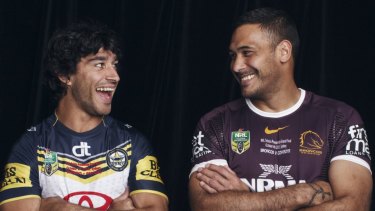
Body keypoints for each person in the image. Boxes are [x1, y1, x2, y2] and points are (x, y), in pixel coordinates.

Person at [189, 7, 372, 210]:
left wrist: (246, 199)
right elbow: (204, 205)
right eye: (233, 55)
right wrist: (300, 195)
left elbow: (354, 205)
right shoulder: (215, 124)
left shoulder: (341, 120)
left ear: (283, 52)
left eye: (247, 53)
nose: (236, 66)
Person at [0, 21, 168, 211]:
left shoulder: (133, 143)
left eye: (114, 65)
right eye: (99, 64)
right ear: (65, 75)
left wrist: (60, 208)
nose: (115, 76)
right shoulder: (31, 145)